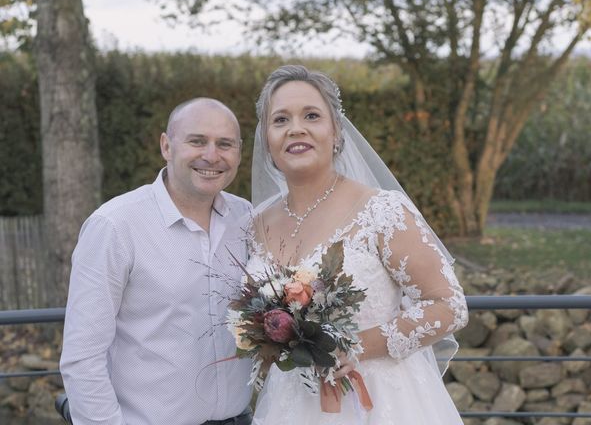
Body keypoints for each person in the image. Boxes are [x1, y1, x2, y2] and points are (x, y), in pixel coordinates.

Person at [247, 65, 469, 424]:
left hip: (379, 403)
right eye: (280, 119)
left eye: (312, 116)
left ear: (335, 131)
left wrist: (356, 346)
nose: (296, 128)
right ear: (267, 141)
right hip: (290, 404)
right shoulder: (255, 223)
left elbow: (449, 306)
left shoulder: (382, 211)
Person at [60, 98, 253, 425]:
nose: (211, 155)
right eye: (197, 141)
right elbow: (83, 357)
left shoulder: (248, 218)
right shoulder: (115, 226)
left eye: (225, 144)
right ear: (166, 145)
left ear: (238, 152)